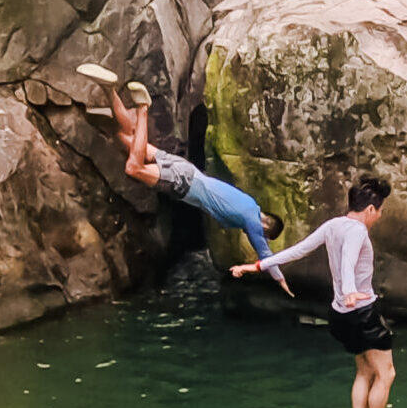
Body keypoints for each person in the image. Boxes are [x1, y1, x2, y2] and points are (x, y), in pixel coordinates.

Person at [77, 62, 289, 292]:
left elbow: (257, 237)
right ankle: (143, 108)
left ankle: (109, 90)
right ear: (265, 228)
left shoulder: (249, 206)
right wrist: (281, 281)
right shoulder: (252, 220)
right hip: (183, 183)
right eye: (263, 233)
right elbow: (265, 253)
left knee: (125, 139)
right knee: (133, 167)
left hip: (186, 169)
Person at [231, 175, 404, 408]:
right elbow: (348, 260)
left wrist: (259, 265)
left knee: (363, 370)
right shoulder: (358, 231)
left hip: (339, 315)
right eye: (380, 211)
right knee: (386, 374)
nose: (379, 217)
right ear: (371, 209)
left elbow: (298, 250)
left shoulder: (333, 225)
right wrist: (350, 290)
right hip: (362, 313)